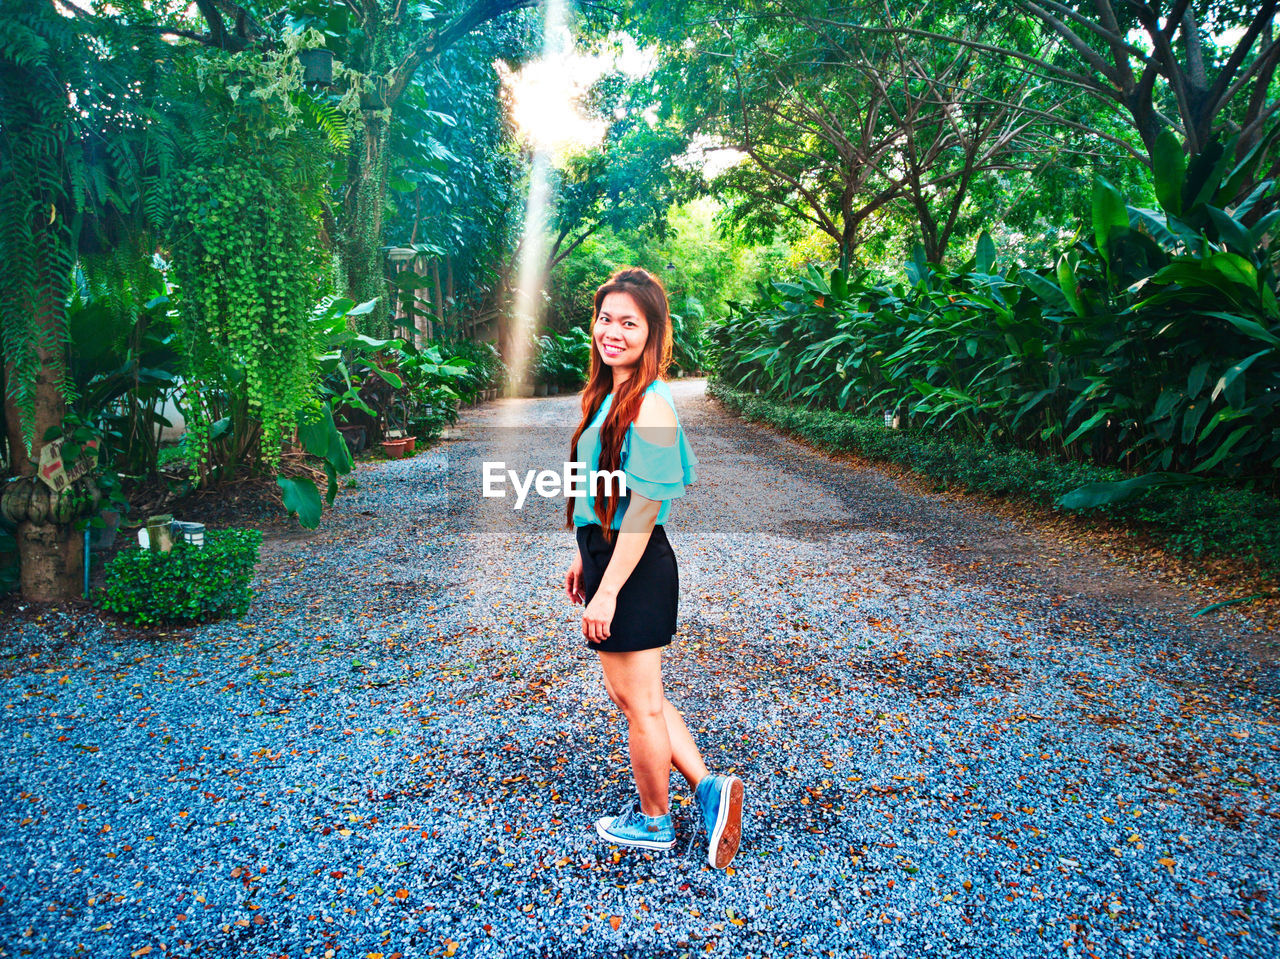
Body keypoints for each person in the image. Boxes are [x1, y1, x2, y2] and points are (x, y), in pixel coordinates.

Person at [562, 267, 744, 870]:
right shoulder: (608, 395)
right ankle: (708, 787)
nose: (612, 332)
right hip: (607, 553)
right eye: (605, 319)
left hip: (633, 565)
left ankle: (655, 822)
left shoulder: (654, 401)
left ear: (652, 333)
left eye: (628, 323)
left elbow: (645, 506)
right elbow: (604, 489)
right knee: (637, 696)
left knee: (638, 703)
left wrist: (608, 588)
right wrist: (582, 558)